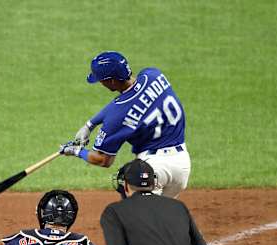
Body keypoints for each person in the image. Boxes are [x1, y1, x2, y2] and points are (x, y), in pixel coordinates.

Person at [59, 51, 190, 198]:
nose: (101, 83)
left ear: (112, 81)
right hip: (182, 164)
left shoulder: (116, 117)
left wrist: (76, 151)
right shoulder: (153, 75)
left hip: (154, 168)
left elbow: (103, 160)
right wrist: (90, 124)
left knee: (138, 216)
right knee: (163, 215)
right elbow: (126, 101)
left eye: (101, 80)